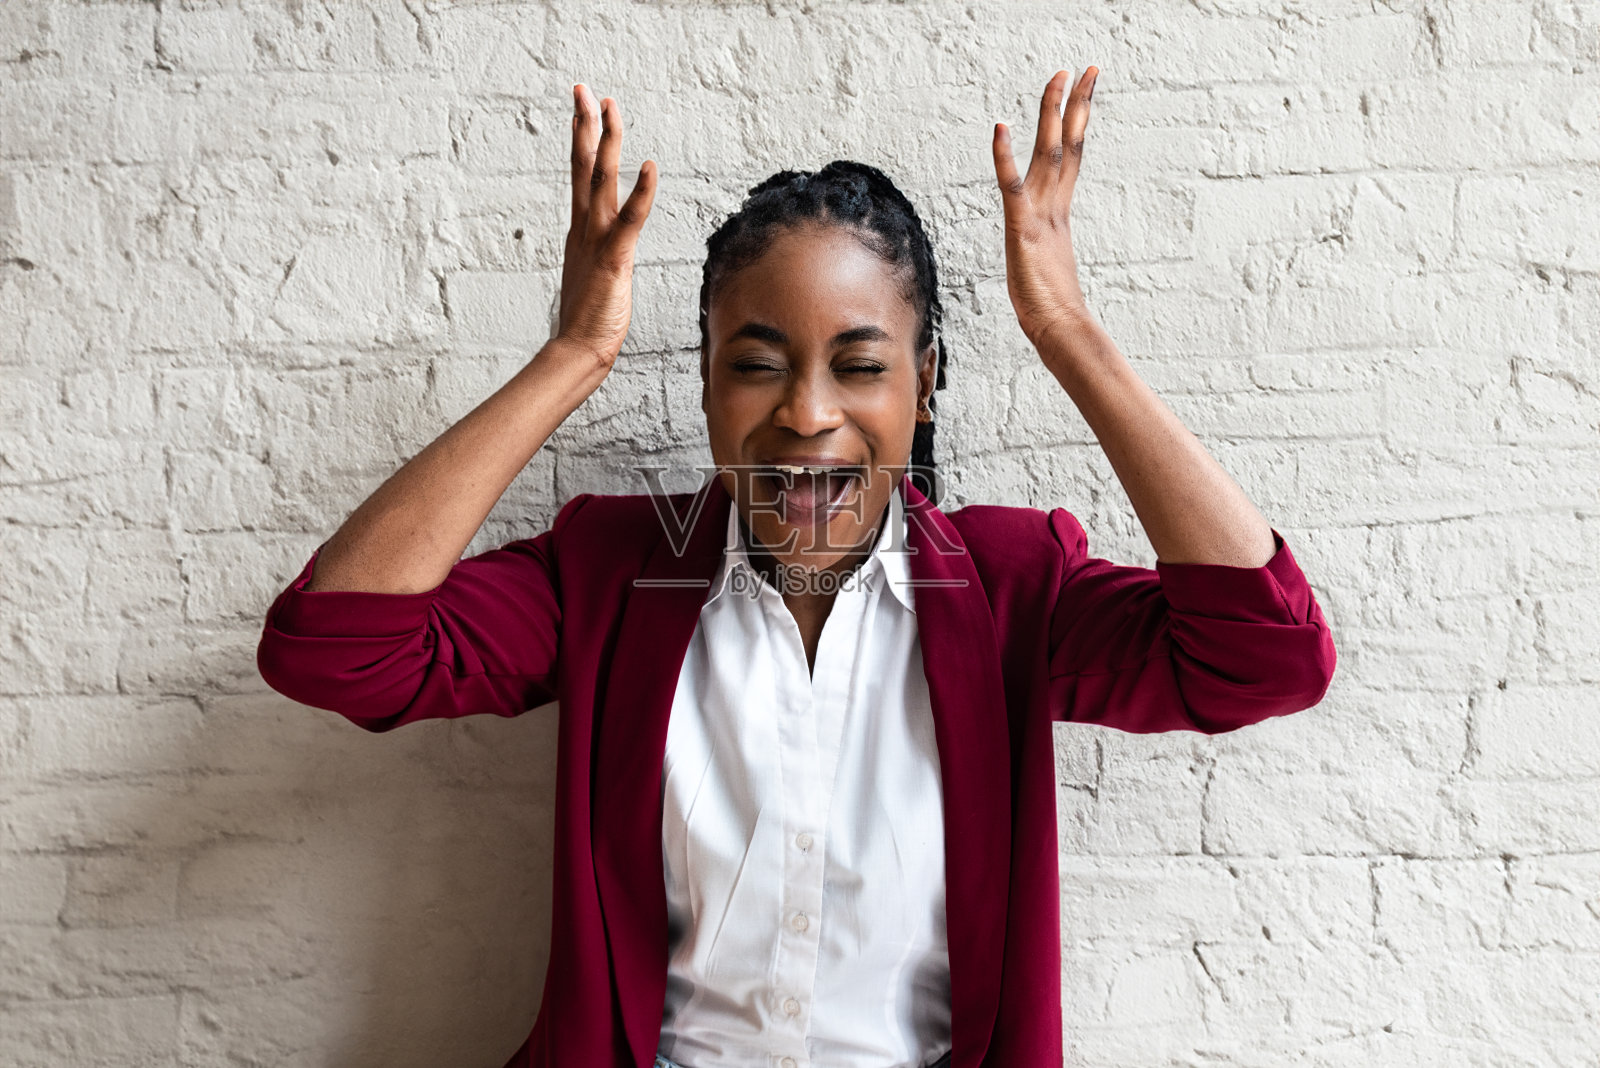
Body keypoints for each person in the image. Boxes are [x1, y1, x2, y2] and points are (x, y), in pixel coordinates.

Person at [256, 68, 1337, 1068]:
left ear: (923, 384)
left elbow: (1263, 659)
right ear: (707, 386)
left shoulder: (1007, 588)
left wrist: (1066, 332)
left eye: (860, 367)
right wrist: (571, 356)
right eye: (756, 366)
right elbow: (338, 649)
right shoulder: (617, 572)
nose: (807, 414)